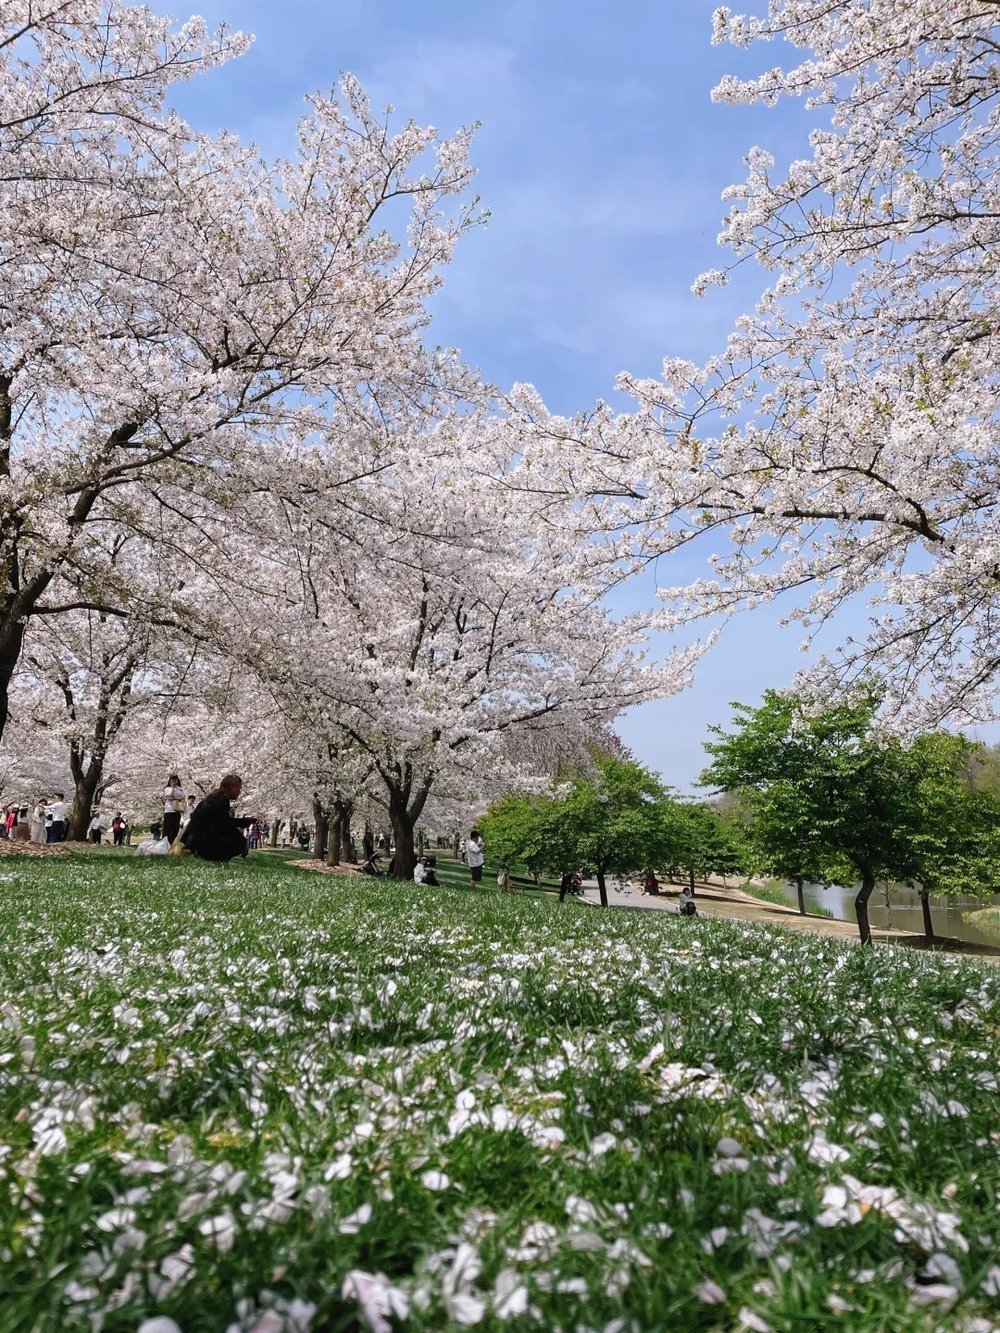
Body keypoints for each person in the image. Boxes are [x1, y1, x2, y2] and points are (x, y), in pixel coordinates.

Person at [180, 773, 255, 863]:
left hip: (197, 839)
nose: (239, 792)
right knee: (237, 843)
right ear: (231, 788)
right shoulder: (219, 801)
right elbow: (225, 824)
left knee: (237, 840)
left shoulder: (217, 797)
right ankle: (210, 857)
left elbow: (223, 822)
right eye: (238, 789)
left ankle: (214, 856)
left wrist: (245, 822)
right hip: (201, 841)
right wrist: (243, 839)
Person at [162, 775, 186, 846]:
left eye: (175, 780)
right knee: (167, 829)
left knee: (175, 828)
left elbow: (182, 797)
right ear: (170, 781)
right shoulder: (167, 788)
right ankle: (165, 844)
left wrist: (175, 797)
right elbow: (169, 797)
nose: (174, 782)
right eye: (172, 780)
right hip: (169, 810)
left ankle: (173, 844)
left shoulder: (180, 789)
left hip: (177, 810)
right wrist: (172, 788)